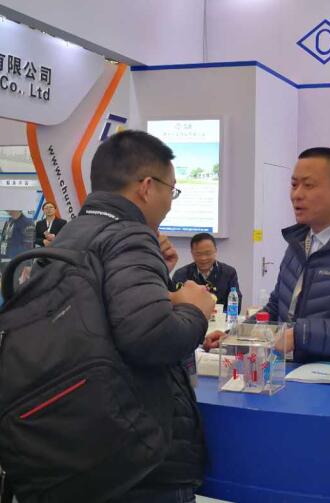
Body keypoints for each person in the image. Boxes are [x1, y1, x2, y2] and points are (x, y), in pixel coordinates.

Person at [50, 130, 214, 503]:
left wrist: (160, 283)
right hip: (136, 455)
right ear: (147, 187)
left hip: (75, 441)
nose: (170, 203)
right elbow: (151, 338)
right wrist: (194, 308)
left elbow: (103, 319)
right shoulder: (130, 236)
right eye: (171, 190)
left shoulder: (71, 235)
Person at [207, 147, 330, 366]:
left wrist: (301, 335)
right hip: (287, 374)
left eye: (308, 185)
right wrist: (235, 337)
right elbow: (276, 308)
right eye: (294, 184)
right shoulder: (297, 244)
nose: (296, 194)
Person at [172, 232, 241, 311]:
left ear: (215, 251)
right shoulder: (181, 275)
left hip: (220, 317)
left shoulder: (229, 273)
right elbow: (174, 305)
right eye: (198, 254)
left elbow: (236, 305)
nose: (203, 258)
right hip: (190, 317)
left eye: (207, 253)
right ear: (192, 254)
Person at [0, 210, 34, 275]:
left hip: (15, 259)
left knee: (11, 278)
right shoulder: (10, 220)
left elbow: (29, 245)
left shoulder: (28, 223)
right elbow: (4, 238)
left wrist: (28, 264)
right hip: (4, 256)